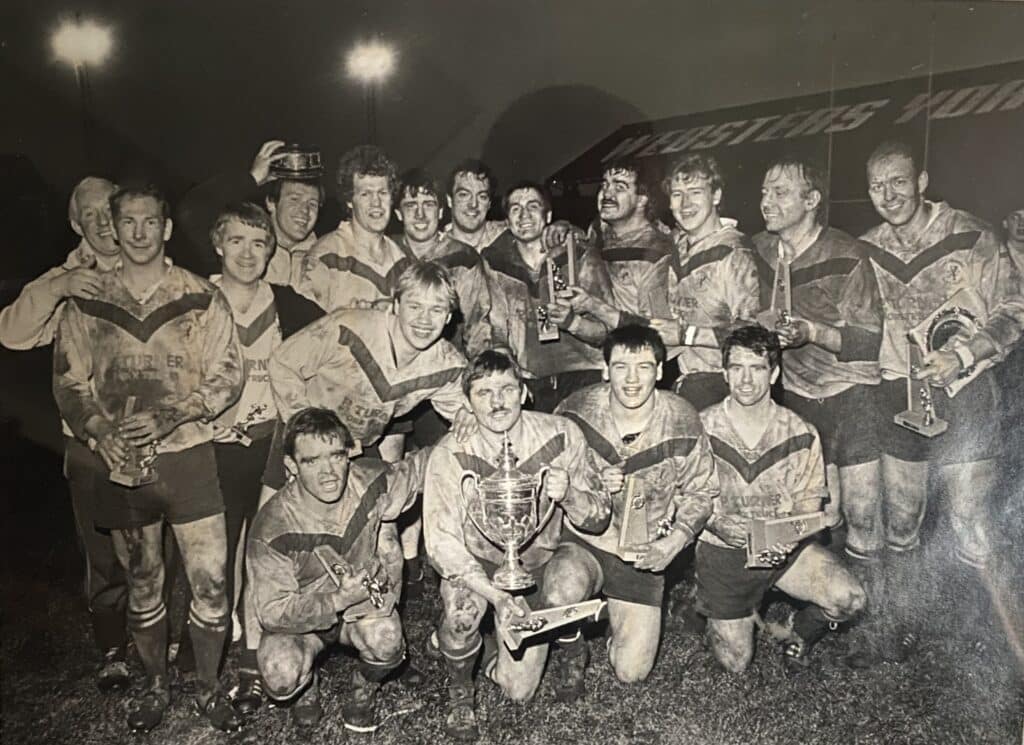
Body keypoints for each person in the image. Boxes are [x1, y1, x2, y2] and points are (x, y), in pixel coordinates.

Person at [52, 183, 244, 732]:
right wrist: (98, 434)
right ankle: (156, 683)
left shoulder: (199, 295)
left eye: (149, 222)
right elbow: (69, 379)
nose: (138, 232)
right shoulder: (89, 299)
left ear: (166, 228)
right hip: (124, 462)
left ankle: (208, 687)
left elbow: (228, 374)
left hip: (187, 455)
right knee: (143, 580)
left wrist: (177, 412)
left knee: (210, 580)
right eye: (127, 223)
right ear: (114, 229)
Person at [850, 142, 1024, 661]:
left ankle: (991, 635)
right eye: (877, 186)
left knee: (969, 516)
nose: (888, 194)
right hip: (897, 394)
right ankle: (899, 626)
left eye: (898, 181)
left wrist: (963, 354)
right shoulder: (864, 248)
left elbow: (1015, 308)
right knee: (901, 519)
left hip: (965, 390)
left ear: (922, 181)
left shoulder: (971, 236)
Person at [423, 349, 609, 741]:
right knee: (469, 621)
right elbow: (441, 543)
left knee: (569, 583)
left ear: (524, 392)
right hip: (483, 567)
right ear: (468, 403)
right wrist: (495, 595)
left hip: (545, 559)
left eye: (507, 388)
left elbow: (600, 514)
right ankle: (462, 688)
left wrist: (571, 494)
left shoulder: (561, 434)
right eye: (484, 392)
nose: (497, 401)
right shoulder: (448, 453)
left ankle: (572, 644)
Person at [0, 176, 132, 692]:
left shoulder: (146, 266)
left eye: (110, 211)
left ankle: (165, 637)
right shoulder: (62, 279)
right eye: (91, 214)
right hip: (90, 443)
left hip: (150, 437)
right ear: (76, 224)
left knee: (158, 543)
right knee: (102, 550)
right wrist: (58, 288)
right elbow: (11, 333)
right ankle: (113, 649)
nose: (103, 223)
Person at [205, 202, 323, 713]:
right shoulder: (196, 298)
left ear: (271, 249)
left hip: (272, 440)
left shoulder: (288, 303)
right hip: (214, 441)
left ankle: (253, 658)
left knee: (262, 547)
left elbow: (336, 341)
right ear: (218, 245)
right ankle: (214, 654)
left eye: (258, 243)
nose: (248, 253)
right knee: (218, 553)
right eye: (236, 241)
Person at [554, 325, 718, 683]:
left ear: (660, 371)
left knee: (632, 672)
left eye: (644, 366)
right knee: (560, 588)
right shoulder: (575, 410)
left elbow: (702, 493)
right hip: (586, 542)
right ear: (605, 368)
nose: (632, 379)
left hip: (642, 551)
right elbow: (550, 472)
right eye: (621, 366)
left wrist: (672, 543)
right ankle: (573, 640)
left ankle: (611, 618)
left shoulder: (682, 418)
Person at [697, 325, 866, 672]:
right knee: (736, 663)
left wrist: (786, 540)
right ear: (724, 373)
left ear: (773, 373)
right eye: (737, 368)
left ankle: (800, 630)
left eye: (757, 368)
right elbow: (687, 498)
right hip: (723, 550)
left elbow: (807, 505)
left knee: (850, 599)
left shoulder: (800, 432)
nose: (746, 380)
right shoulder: (700, 428)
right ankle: (707, 602)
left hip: (782, 548)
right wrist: (721, 527)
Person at [247, 408, 422, 732]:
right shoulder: (273, 525)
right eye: (312, 461)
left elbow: (423, 467)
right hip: (304, 619)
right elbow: (272, 612)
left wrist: (469, 425)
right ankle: (306, 689)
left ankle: (361, 689)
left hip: (361, 607)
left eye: (336, 456)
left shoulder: (372, 479)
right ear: (291, 467)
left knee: (387, 640)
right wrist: (337, 600)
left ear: (349, 454)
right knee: (279, 671)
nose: (328, 472)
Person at [752, 154, 883, 533]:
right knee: (816, 515)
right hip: (796, 396)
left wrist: (811, 332)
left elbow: (868, 341)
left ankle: (874, 589)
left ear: (811, 201)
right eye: (764, 192)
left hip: (850, 394)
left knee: (862, 513)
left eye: (780, 193)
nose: (766, 202)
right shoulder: (758, 250)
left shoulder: (847, 253)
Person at [565, 154, 759, 410]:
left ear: (716, 196)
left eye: (695, 192)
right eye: (677, 194)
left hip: (721, 384)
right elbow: (656, 325)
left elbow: (753, 335)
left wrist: (686, 334)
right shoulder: (678, 244)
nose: (685, 203)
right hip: (684, 378)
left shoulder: (735, 253)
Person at [482, 181, 611, 413]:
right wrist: (511, 376)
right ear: (507, 221)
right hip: (532, 381)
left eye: (533, 206)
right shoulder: (495, 266)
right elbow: (498, 331)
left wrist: (573, 323)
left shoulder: (578, 255)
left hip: (586, 373)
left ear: (548, 214)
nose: (524, 216)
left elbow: (608, 329)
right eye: (515, 209)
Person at [176, 139, 325, 284]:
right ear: (271, 203)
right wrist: (251, 179)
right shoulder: (243, 252)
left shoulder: (327, 255)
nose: (304, 211)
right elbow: (192, 211)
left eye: (312, 204)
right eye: (294, 199)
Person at [297, 145, 409, 312]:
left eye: (383, 193)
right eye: (365, 194)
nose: (376, 203)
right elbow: (306, 329)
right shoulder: (326, 256)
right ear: (350, 200)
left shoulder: (402, 262)